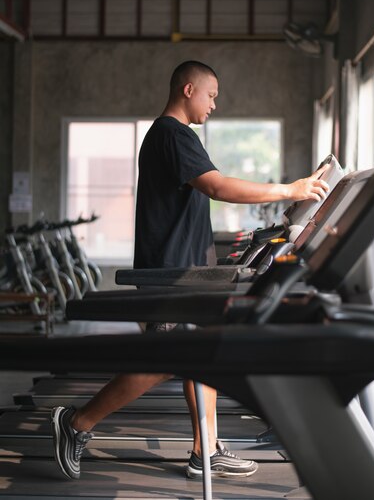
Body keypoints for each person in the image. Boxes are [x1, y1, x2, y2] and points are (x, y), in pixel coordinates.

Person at [51, 60, 330, 481]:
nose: (215, 104)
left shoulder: (173, 137)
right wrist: (288, 189)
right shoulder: (172, 134)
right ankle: (75, 423)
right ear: (188, 90)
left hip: (185, 272)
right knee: (162, 362)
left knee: (205, 356)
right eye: (212, 95)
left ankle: (206, 450)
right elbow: (217, 186)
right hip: (171, 275)